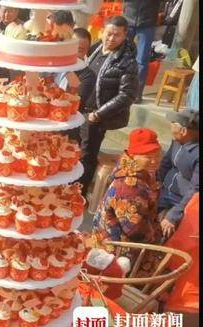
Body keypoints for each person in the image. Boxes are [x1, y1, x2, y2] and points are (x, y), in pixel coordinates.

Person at [78, 16, 139, 196]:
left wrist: (99, 114)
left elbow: (127, 95)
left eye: (117, 35)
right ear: (102, 31)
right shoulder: (95, 47)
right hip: (81, 108)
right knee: (75, 150)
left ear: (124, 35)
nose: (111, 39)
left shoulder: (127, 61)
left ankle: (79, 194)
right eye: (109, 34)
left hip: (97, 116)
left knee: (87, 154)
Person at [92, 128, 163, 266]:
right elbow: (135, 231)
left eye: (157, 156)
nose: (154, 161)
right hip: (116, 248)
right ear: (134, 156)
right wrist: (157, 238)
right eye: (148, 157)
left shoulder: (136, 169)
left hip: (116, 233)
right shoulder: (129, 186)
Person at [157, 109, 199, 240]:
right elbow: (165, 164)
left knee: (166, 232)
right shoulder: (177, 141)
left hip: (181, 201)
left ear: (184, 131)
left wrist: (173, 215)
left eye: (174, 122)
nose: (170, 125)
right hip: (164, 192)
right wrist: (155, 184)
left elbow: (195, 189)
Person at [123, 0, 162, 103]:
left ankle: (136, 93)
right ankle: (117, 87)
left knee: (142, 61)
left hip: (148, 22)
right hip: (128, 18)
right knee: (122, 55)